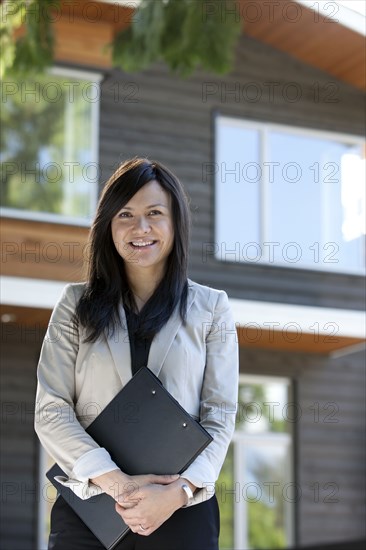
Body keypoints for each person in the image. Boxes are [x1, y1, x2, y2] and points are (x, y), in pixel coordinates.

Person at [35, 157, 239, 550]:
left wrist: (179, 492)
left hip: (180, 509)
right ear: (108, 225)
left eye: (154, 213)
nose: (140, 227)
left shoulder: (212, 308)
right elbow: (51, 409)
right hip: (90, 507)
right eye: (125, 214)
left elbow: (220, 416)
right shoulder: (74, 304)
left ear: (175, 223)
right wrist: (118, 485)